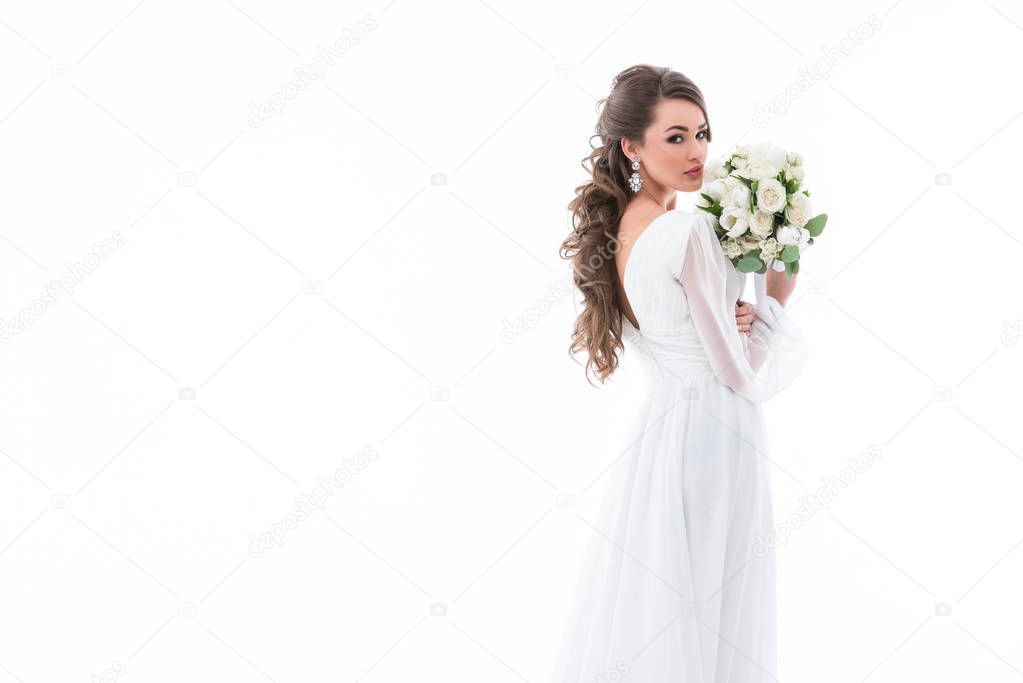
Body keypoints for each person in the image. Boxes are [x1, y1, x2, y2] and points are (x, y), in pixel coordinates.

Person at [555, 64, 809, 682]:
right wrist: (776, 296)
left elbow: (696, 341)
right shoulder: (688, 229)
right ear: (631, 146)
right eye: (674, 137)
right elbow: (739, 376)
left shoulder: (624, 231)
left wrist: (741, 305)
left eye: (701, 133)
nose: (696, 152)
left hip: (664, 432)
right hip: (717, 432)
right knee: (717, 600)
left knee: (669, 599)